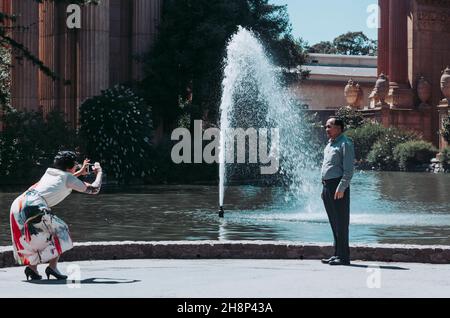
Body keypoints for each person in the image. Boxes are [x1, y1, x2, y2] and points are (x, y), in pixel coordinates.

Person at [9, 151, 103, 280]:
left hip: (19, 203)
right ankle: (52, 267)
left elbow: (62, 180)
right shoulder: (68, 178)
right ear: (71, 166)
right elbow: (94, 189)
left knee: (31, 236)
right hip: (34, 204)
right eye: (76, 165)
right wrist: (99, 173)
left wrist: (80, 172)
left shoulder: (50, 173)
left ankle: (32, 268)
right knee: (61, 230)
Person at [320, 117, 355, 266]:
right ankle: (336, 254)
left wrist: (341, 187)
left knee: (341, 222)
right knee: (334, 222)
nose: (327, 129)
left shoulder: (345, 143)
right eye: (326, 126)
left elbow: (348, 170)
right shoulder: (329, 145)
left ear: (339, 128)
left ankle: (344, 257)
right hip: (327, 186)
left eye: (330, 126)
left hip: (338, 187)